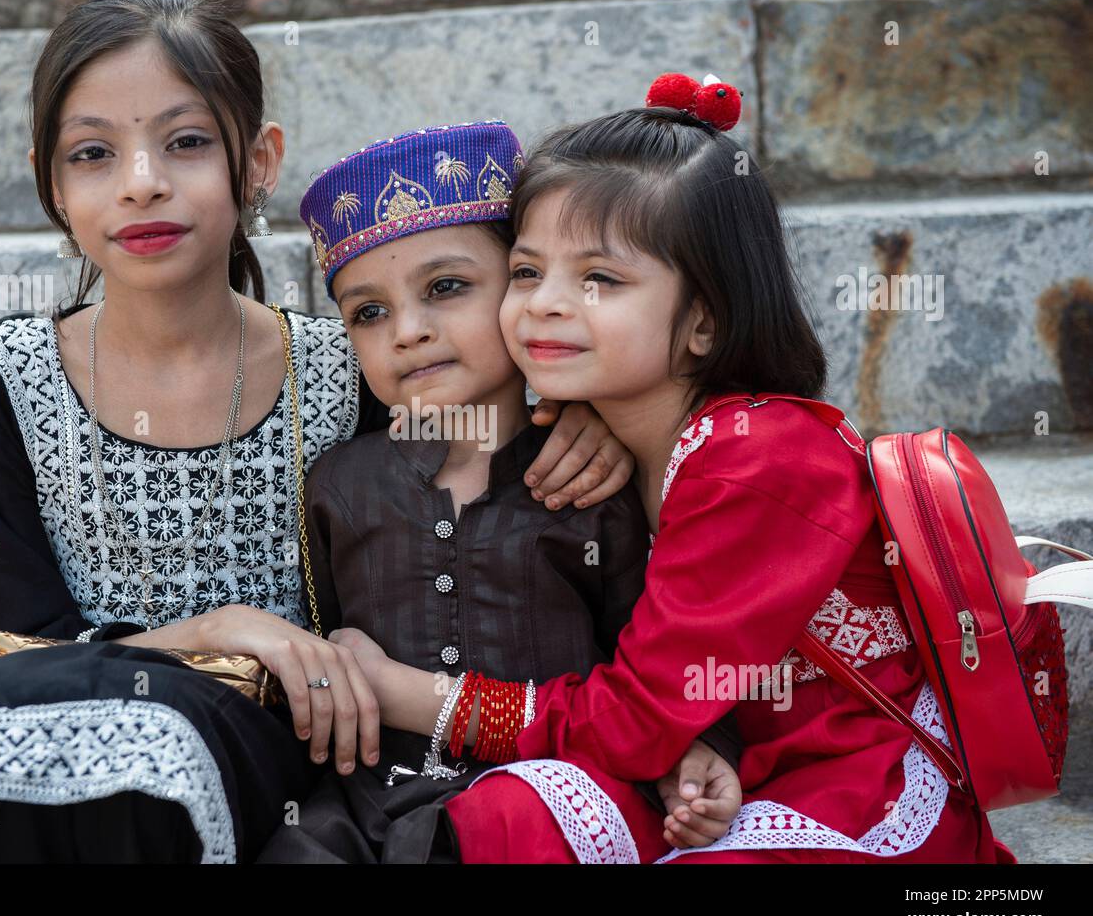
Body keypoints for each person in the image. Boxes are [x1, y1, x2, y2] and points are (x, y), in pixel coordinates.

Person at [0, 0, 641, 864]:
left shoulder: (352, 365)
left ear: (258, 162)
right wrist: (222, 627)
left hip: (278, 731)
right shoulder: (9, 375)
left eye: (185, 142)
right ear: (52, 182)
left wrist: (581, 416)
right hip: (69, 692)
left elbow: (486, 417)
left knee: (148, 762)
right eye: (94, 153)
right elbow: (15, 643)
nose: (141, 180)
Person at [339, 75, 1012, 863]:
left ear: (706, 320)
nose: (546, 304)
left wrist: (409, 695)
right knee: (516, 819)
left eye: (601, 280)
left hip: (858, 782)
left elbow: (636, 722)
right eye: (526, 272)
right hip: (721, 773)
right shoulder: (623, 429)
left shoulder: (759, 459)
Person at [257, 120, 744, 863]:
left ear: (522, 288)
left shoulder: (593, 478)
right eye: (369, 312)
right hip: (373, 798)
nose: (409, 332)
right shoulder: (338, 485)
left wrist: (698, 749)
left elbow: (656, 662)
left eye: (446, 288)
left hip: (550, 795)